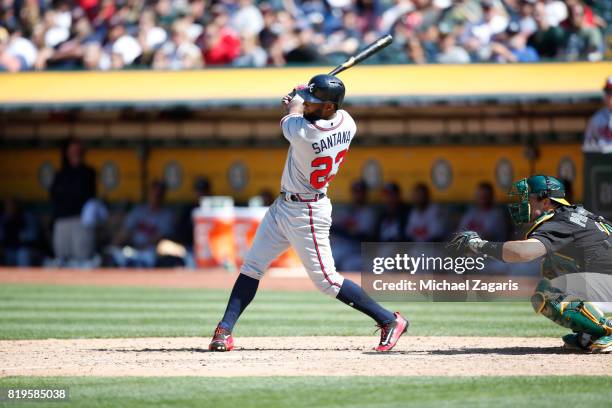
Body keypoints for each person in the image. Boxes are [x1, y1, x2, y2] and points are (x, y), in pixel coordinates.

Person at [209, 74, 409, 353]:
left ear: (329, 107)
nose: (308, 105)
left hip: (307, 212)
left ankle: (389, 320)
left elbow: (291, 114)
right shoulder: (347, 121)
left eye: (315, 102)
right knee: (252, 266)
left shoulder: (305, 132)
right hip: (284, 207)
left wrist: (293, 100)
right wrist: (306, 94)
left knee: (327, 281)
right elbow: (306, 108)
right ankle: (224, 329)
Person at [449, 175, 612, 353]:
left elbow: (522, 253)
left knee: (547, 294)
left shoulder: (562, 221)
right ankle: (591, 333)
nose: (524, 203)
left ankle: (606, 328)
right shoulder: (574, 215)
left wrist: (478, 245)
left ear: (546, 201)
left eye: (529, 199)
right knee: (551, 268)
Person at [49, 138, 97, 265]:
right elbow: (54, 196)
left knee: (81, 258)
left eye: (78, 150)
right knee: (62, 258)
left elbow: (89, 196)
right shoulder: (60, 174)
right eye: (73, 150)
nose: (75, 153)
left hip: (80, 220)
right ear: (67, 153)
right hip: (62, 220)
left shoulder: (88, 172)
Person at [110, 180, 174, 267]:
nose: (156, 196)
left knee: (148, 257)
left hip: (150, 251)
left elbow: (160, 237)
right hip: (132, 248)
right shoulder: (139, 210)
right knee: (118, 256)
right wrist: (116, 243)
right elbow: (126, 229)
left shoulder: (166, 215)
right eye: (154, 192)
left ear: (163, 196)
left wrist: (141, 247)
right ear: (150, 193)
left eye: (159, 194)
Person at [330, 180, 377, 271]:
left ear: (365, 194)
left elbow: (361, 236)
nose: (358, 195)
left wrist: (344, 230)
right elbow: (333, 228)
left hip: (357, 250)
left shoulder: (369, 213)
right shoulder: (347, 210)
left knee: (349, 266)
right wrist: (345, 230)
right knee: (327, 260)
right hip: (341, 247)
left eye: (360, 192)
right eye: (356, 192)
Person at [583, 76, 612, 153]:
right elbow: (587, 144)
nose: (610, 97)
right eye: (608, 93)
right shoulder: (596, 119)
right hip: (602, 161)